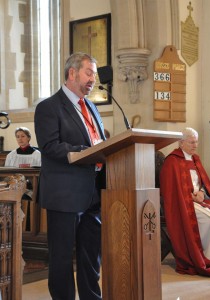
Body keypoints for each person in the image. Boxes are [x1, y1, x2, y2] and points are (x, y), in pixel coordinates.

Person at [34, 52, 106, 300]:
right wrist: (87, 152)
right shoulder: (49, 107)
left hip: (93, 194)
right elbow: (50, 146)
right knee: (62, 258)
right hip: (64, 194)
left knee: (90, 256)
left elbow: (99, 141)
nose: (92, 79)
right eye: (89, 73)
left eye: (94, 75)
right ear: (72, 73)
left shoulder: (92, 107)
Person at [160, 127, 210, 277]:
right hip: (183, 204)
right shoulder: (172, 161)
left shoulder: (195, 159)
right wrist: (190, 197)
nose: (195, 145)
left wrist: (201, 192)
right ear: (181, 143)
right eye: (192, 142)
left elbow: (201, 182)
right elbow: (171, 191)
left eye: (196, 142)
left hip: (198, 199)